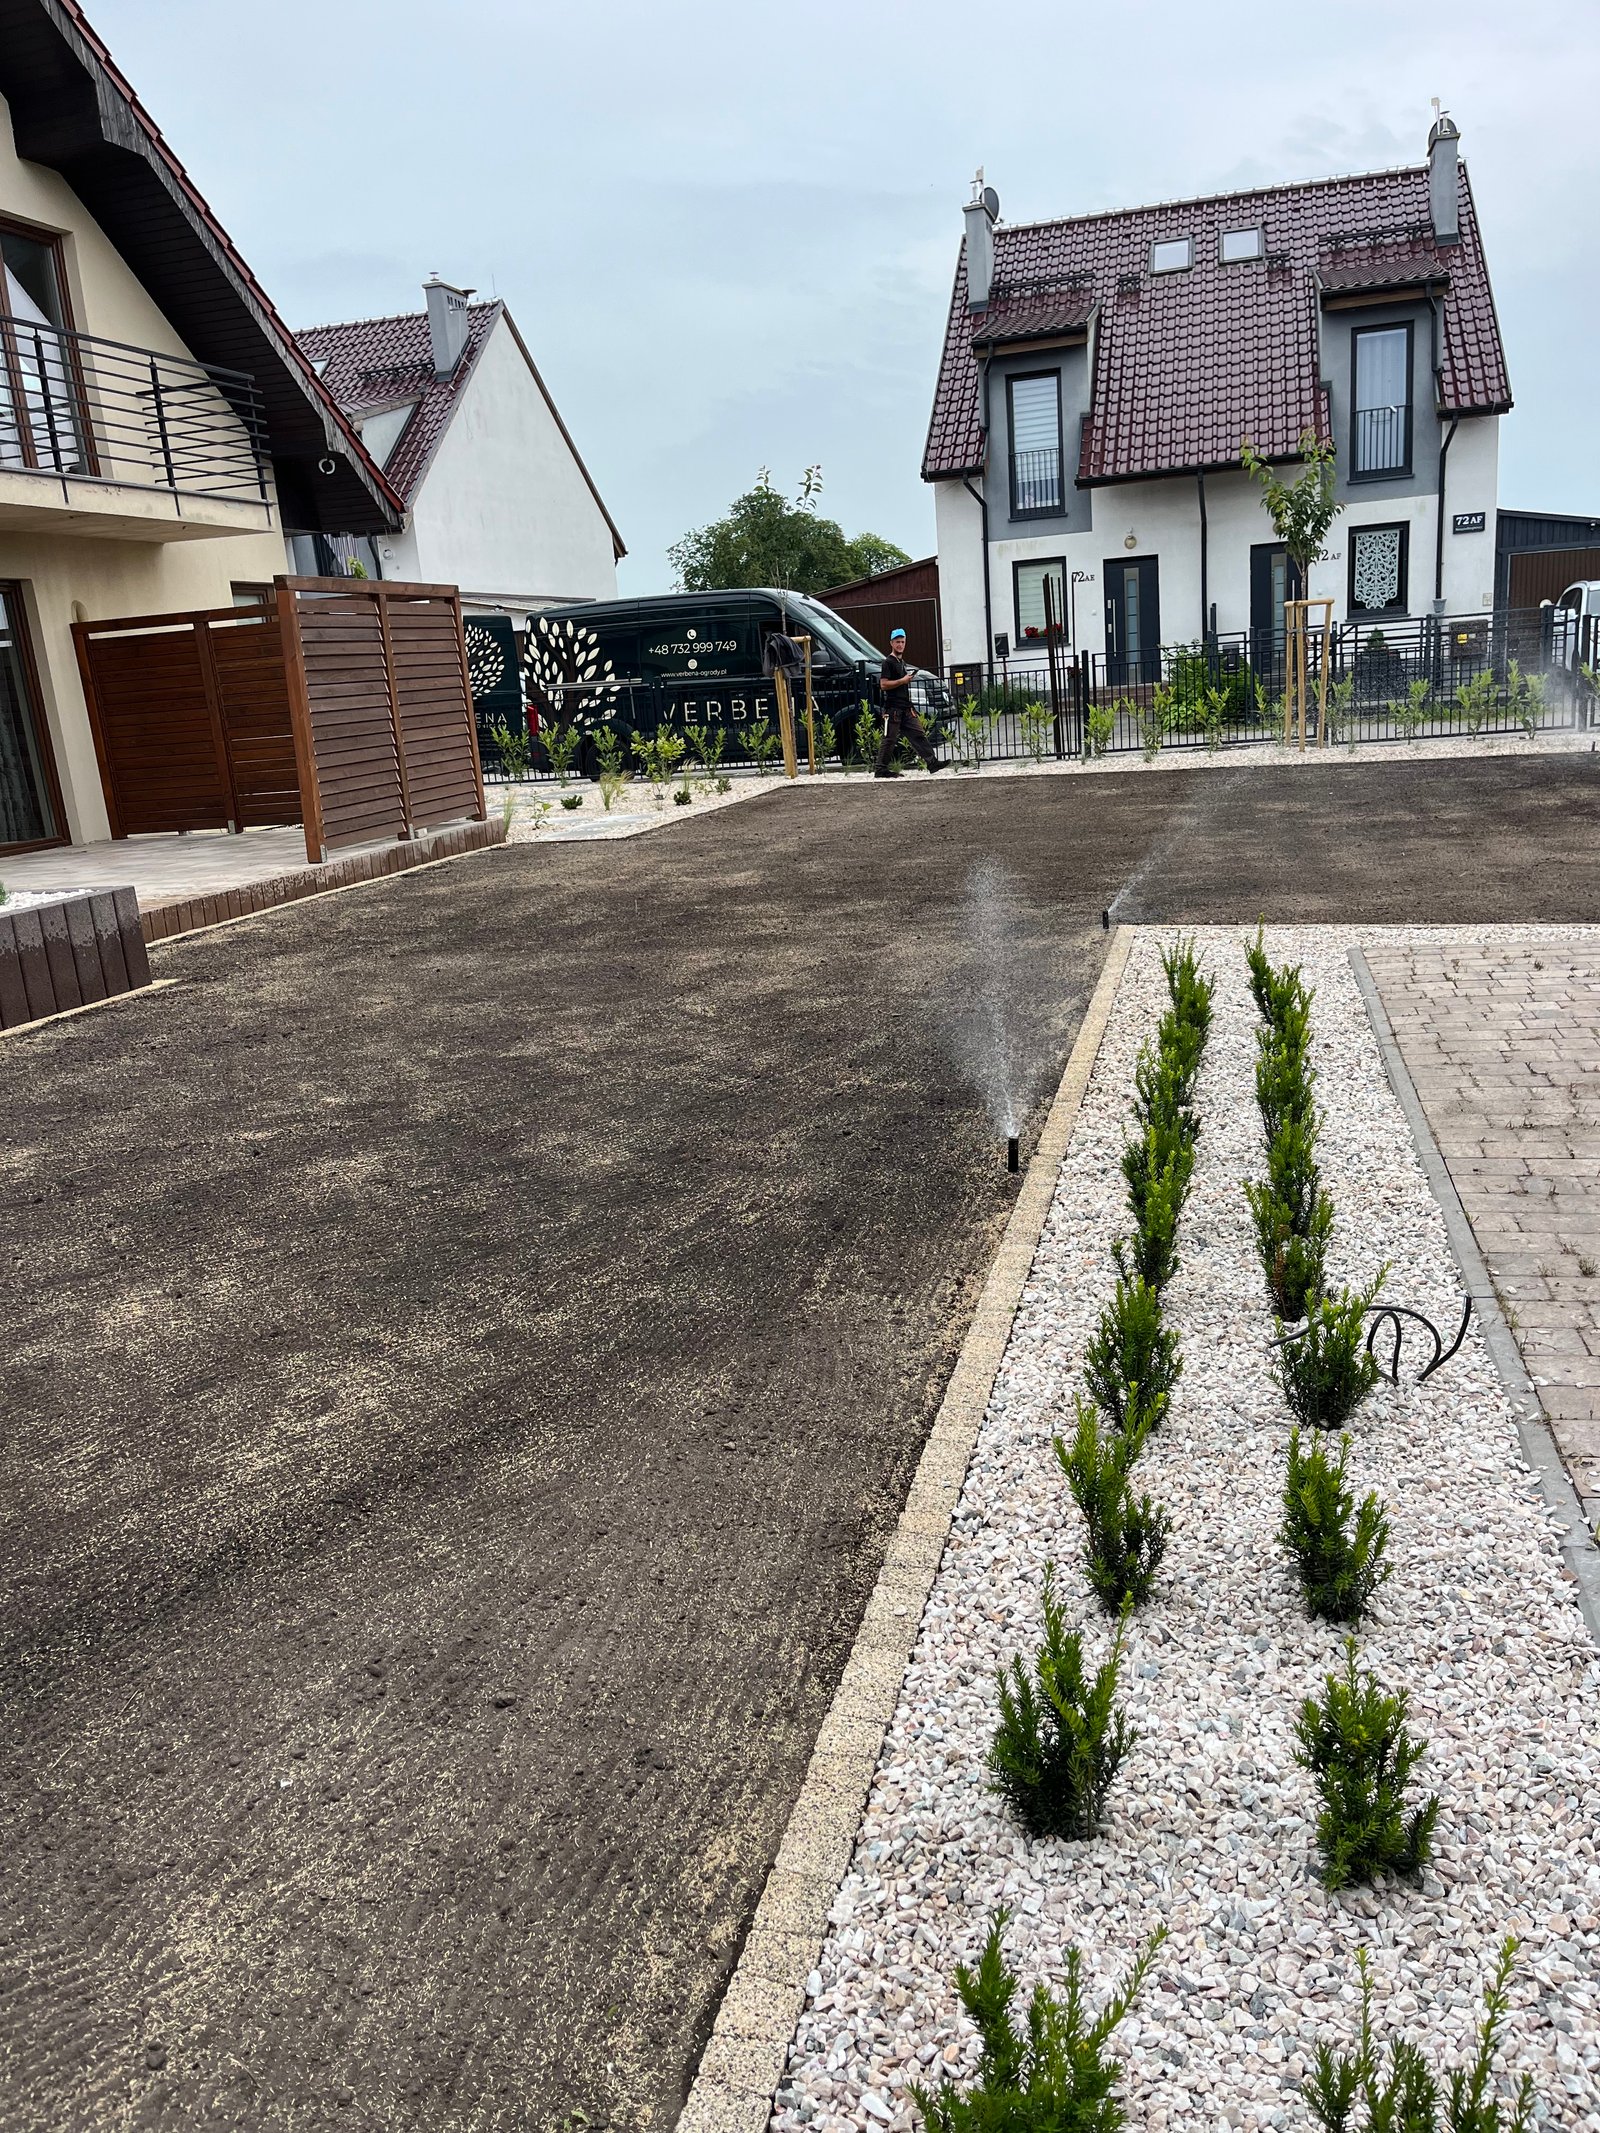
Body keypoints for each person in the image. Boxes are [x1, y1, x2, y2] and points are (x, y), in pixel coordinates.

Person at [875, 628, 945, 778]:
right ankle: (880, 770)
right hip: (893, 709)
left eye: (902, 642)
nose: (900, 645)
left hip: (905, 708)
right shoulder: (888, 662)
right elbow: (883, 684)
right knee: (889, 739)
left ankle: (932, 762)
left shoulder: (901, 662)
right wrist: (903, 680)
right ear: (891, 643)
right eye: (897, 642)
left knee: (918, 733)